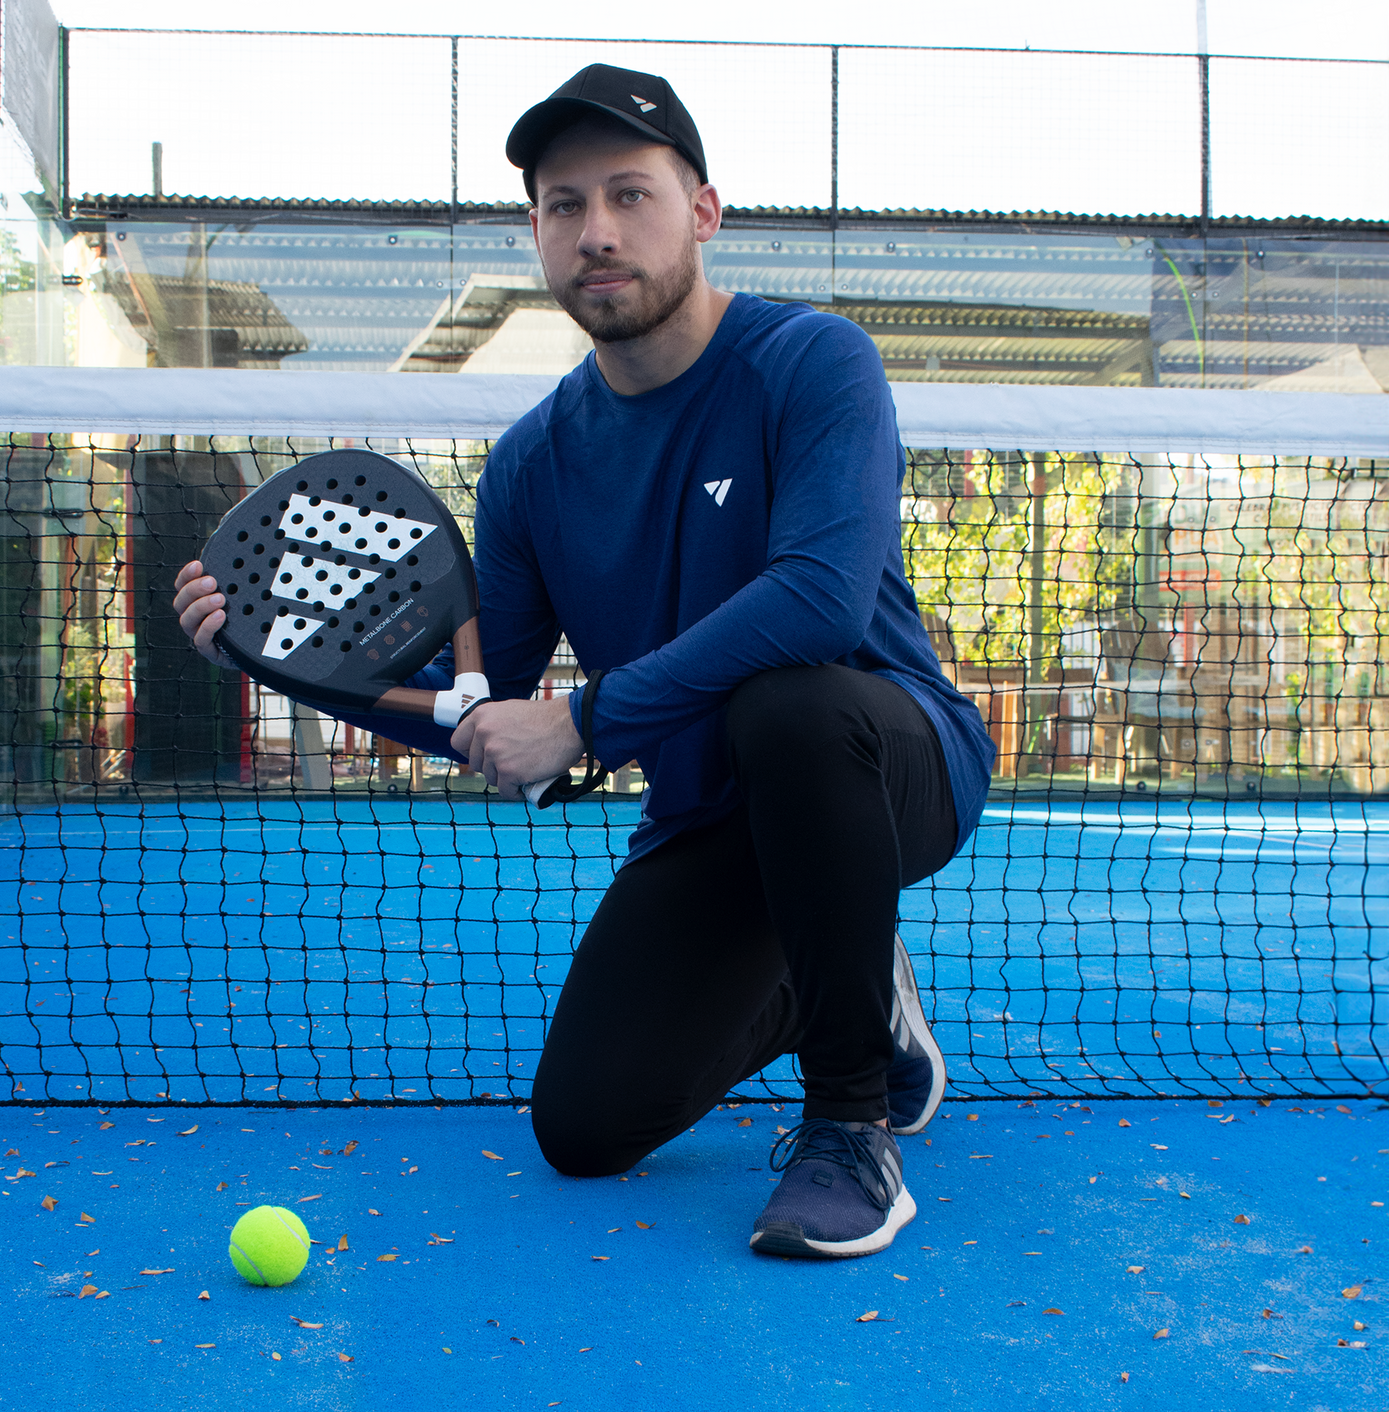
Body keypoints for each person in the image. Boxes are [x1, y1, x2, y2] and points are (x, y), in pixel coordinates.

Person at [175, 63, 996, 1261]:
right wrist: (285, 662)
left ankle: (848, 1122)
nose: (597, 232)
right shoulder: (531, 464)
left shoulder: (814, 364)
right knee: (584, 1124)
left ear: (702, 212)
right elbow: (483, 708)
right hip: (710, 815)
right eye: (564, 205)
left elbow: (819, 603)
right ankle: (858, 977)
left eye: (628, 195)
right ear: (537, 234)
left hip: (883, 764)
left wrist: (592, 716)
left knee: (791, 707)